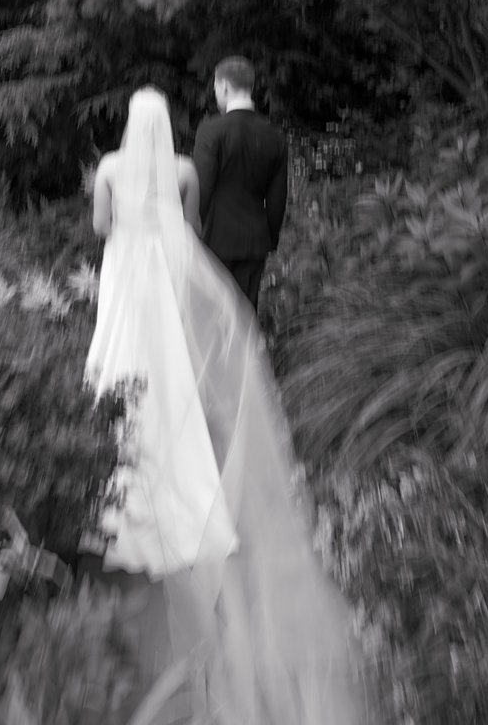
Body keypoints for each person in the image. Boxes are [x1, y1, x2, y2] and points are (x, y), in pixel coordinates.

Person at [83, 88, 373, 724]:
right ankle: (180, 454)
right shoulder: (185, 170)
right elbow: (187, 226)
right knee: (172, 363)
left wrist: (129, 222)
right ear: (167, 126)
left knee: (121, 361)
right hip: (164, 272)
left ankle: (114, 461)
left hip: (126, 271)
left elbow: (103, 227)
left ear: (131, 125)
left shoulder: (107, 168)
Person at [192, 56, 288, 308]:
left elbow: (202, 189)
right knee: (246, 317)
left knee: (214, 319)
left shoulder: (211, 131)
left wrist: (191, 234)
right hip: (254, 240)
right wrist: (270, 237)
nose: (215, 93)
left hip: (214, 239)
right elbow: (278, 198)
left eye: (215, 88)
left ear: (224, 86)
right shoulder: (274, 136)